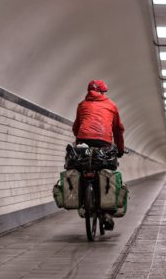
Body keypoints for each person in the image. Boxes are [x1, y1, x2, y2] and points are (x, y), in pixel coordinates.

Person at [72, 80, 125, 230]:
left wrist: (81, 138)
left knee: (82, 168)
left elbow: (76, 127)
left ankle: (83, 200)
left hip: (83, 141)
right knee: (106, 171)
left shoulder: (82, 105)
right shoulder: (111, 106)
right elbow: (118, 130)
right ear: (102, 92)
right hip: (104, 142)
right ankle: (107, 212)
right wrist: (120, 149)